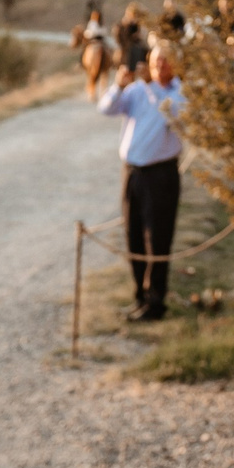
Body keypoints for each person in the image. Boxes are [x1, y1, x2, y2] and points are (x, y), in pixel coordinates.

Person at [94, 40, 185, 322]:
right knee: (132, 236)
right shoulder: (135, 90)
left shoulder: (180, 93)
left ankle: (156, 301)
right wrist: (118, 86)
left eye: (166, 60)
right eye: (156, 59)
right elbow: (106, 108)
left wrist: (151, 87)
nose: (160, 64)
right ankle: (140, 296)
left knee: (157, 238)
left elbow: (172, 111)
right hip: (132, 173)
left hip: (161, 174)